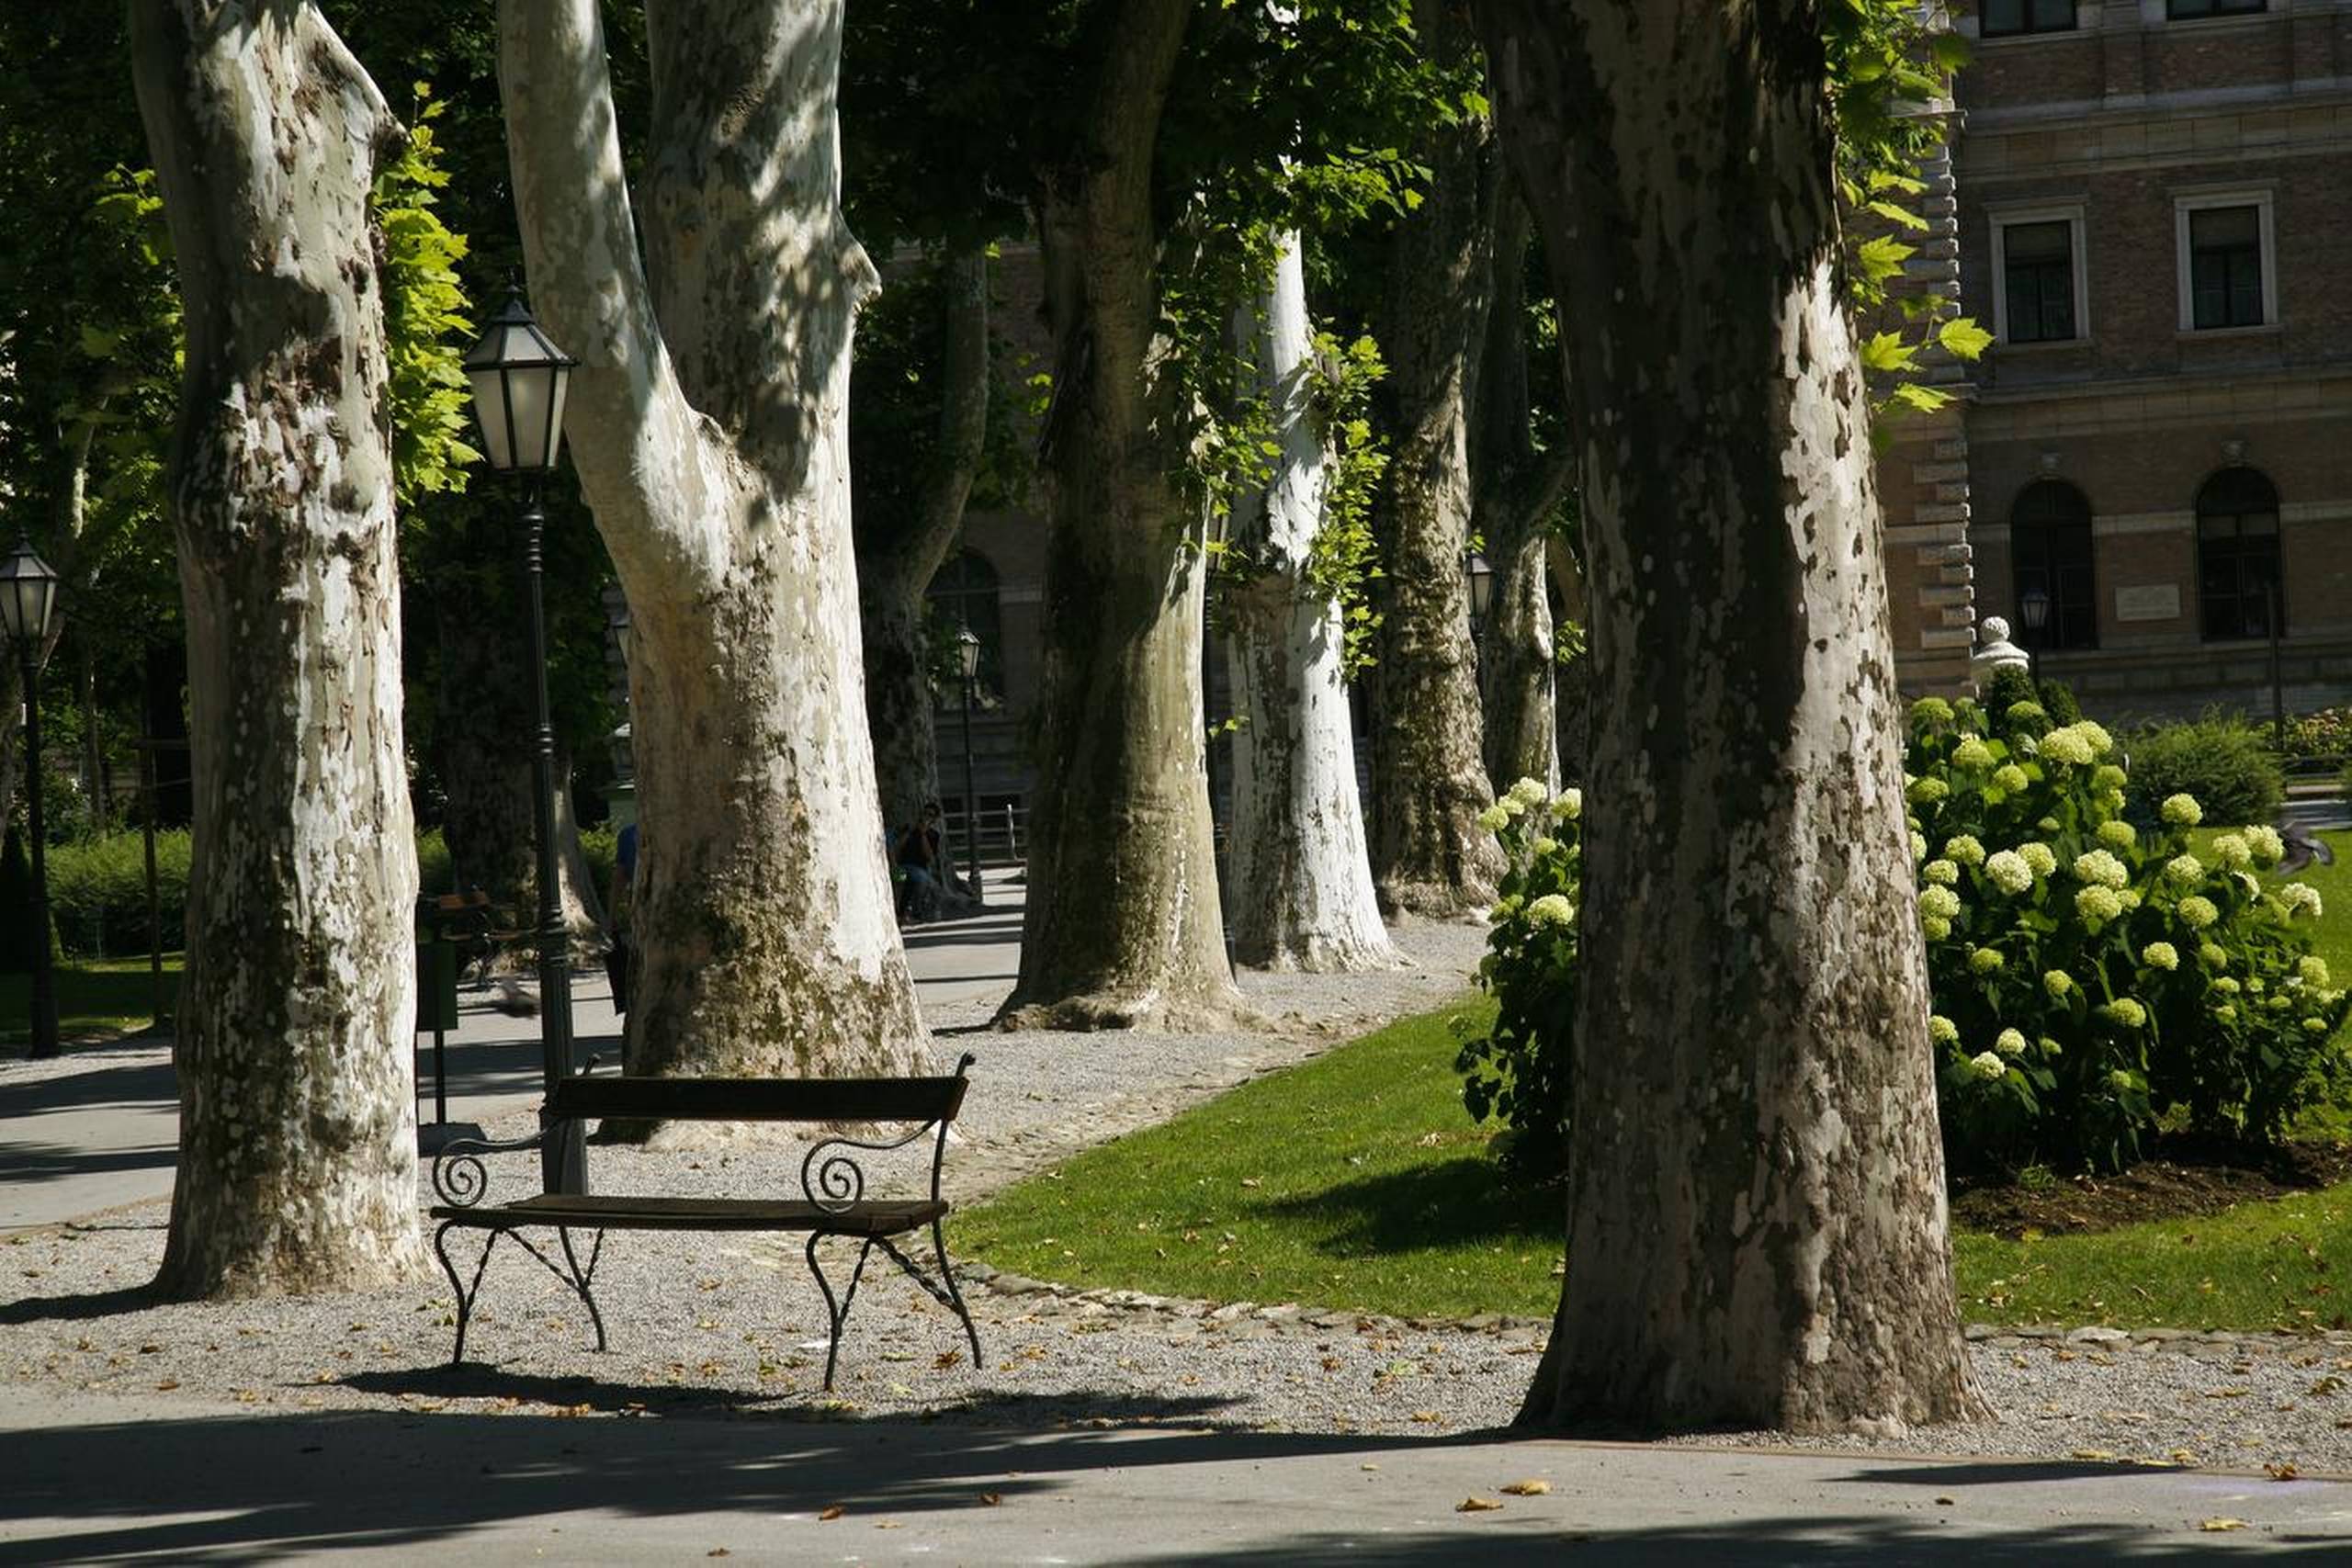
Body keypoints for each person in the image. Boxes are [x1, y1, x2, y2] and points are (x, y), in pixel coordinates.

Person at [605, 820, 638, 1011]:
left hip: (639, 906)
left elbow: (619, 878)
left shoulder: (628, 834)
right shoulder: (628, 835)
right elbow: (619, 877)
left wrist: (611, 917)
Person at [895, 802, 944, 922]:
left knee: (925, 882)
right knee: (902, 880)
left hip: (920, 868)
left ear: (934, 819)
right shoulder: (908, 829)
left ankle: (916, 911)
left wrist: (923, 834)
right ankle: (903, 912)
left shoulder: (933, 835)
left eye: (930, 815)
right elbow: (897, 847)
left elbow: (929, 856)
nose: (926, 817)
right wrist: (909, 831)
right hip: (902, 866)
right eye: (925, 813)